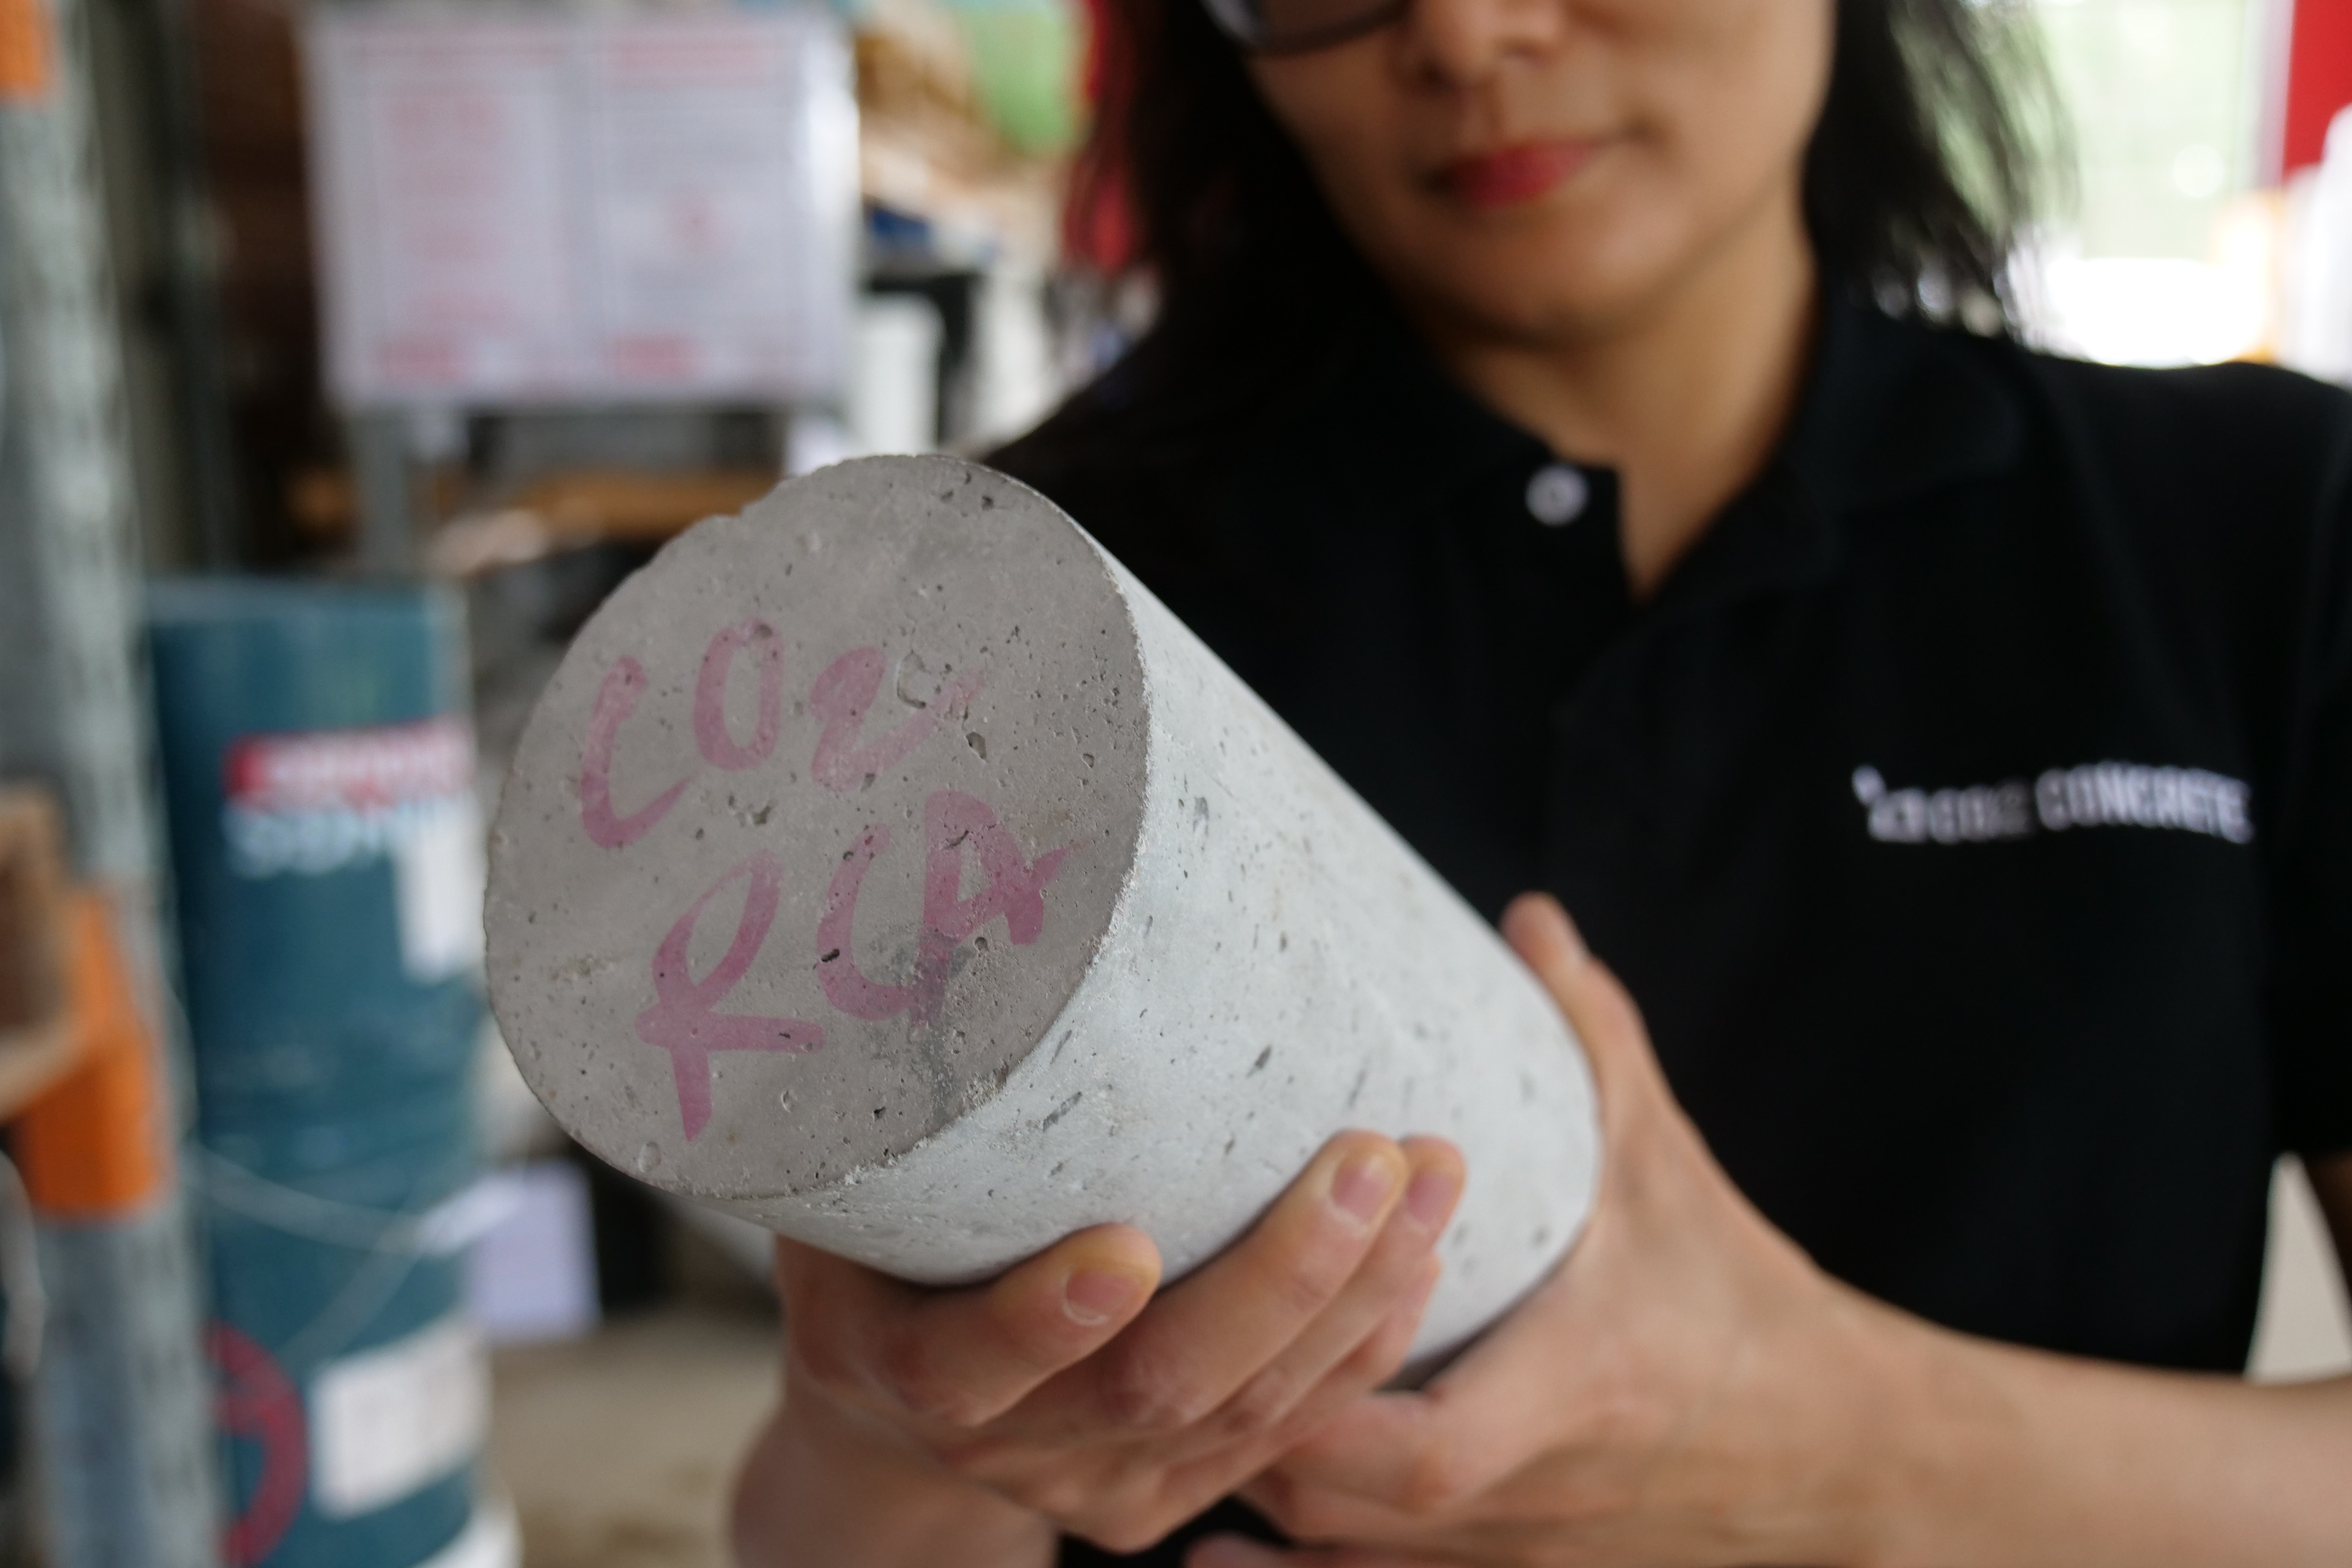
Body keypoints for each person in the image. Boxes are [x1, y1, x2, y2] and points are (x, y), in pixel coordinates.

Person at [731, 0, 2352, 1560]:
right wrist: (899, 1432)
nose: (1460, 29)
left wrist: (1844, 1454)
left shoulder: (2267, 533)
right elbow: (822, 1540)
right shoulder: (1023, 628)